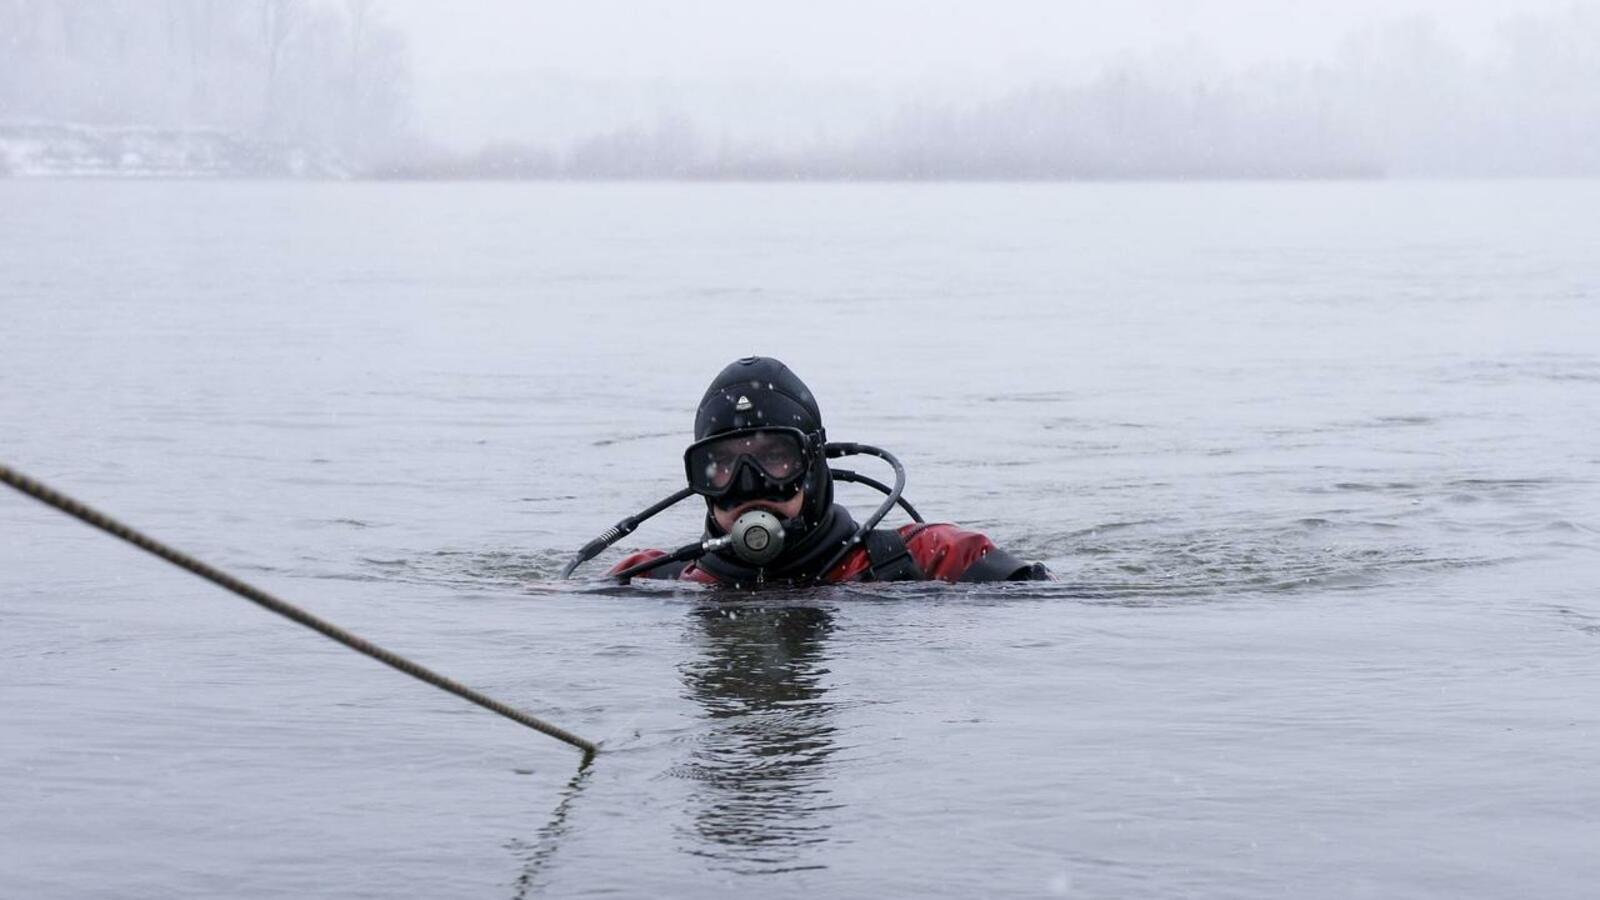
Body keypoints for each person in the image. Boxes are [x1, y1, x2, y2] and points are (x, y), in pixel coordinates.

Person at [602, 356, 1050, 586]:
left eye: (775, 457)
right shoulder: (649, 578)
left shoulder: (934, 557)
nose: (749, 483)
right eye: (721, 465)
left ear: (813, 465)